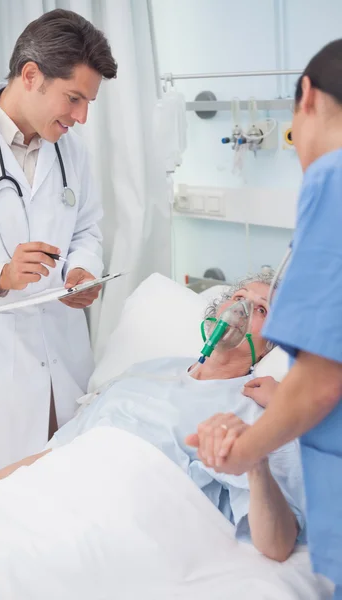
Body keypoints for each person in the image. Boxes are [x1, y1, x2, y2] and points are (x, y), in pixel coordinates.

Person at [0, 274, 305, 562]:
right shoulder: (148, 371)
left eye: (260, 309)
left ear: (275, 340)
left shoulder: (259, 407)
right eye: (238, 298)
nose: (239, 310)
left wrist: (256, 465)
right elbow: (59, 455)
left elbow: (277, 545)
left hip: (122, 519)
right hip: (53, 494)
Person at [188, 39, 342, 599]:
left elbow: (324, 379)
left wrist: (249, 450)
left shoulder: (332, 179)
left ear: (305, 98)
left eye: (261, 308)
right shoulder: (158, 378)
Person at [0, 9, 117, 483]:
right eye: (74, 98)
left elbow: (87, 230)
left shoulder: (70, 149)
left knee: (64, 497)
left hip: (63, 365)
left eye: (88, 103)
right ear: (31, 75)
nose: (81, 117)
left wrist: (81, 271)